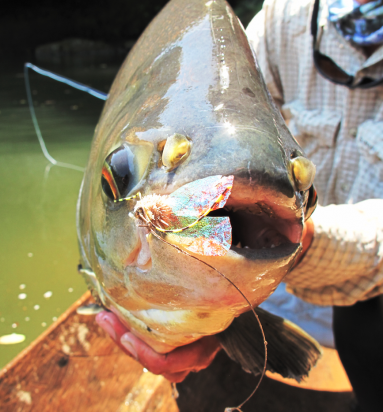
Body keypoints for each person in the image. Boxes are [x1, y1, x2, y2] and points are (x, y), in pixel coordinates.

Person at [96, 0, 383, 410]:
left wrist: (293, 240)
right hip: (263, 301)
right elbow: (218, 115)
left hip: (356, 306)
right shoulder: (286, 19)